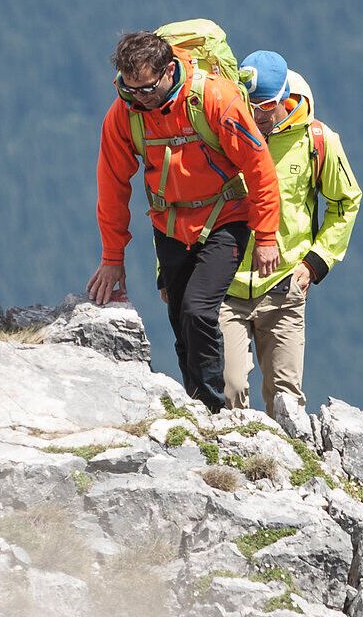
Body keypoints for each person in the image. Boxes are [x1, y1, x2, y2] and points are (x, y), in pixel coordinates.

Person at [88, 30, 280, 411]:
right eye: (129, 89)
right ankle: (196, 400)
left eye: (146, 89)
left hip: (227, 217)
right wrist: (112, 259)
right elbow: (111, 186)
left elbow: (258, 167)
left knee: (198, 310)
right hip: (171, 223)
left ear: (168, 70)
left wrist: (266, 235)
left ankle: (213, 408)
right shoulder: (125, 114)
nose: (138, 98)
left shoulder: (216, 99)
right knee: (179, 318)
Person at [218, 50, 362, 415]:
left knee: (287, 400)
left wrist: (315, 264)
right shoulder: (225, 130)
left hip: (284, 286)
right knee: (229, 392)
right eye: (250, 105)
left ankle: (284, 469)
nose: (256, 115)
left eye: (265, 107)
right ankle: (230, 470)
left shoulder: (318, 140)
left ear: (285, 99)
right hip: (225, 286)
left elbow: (346, 201)